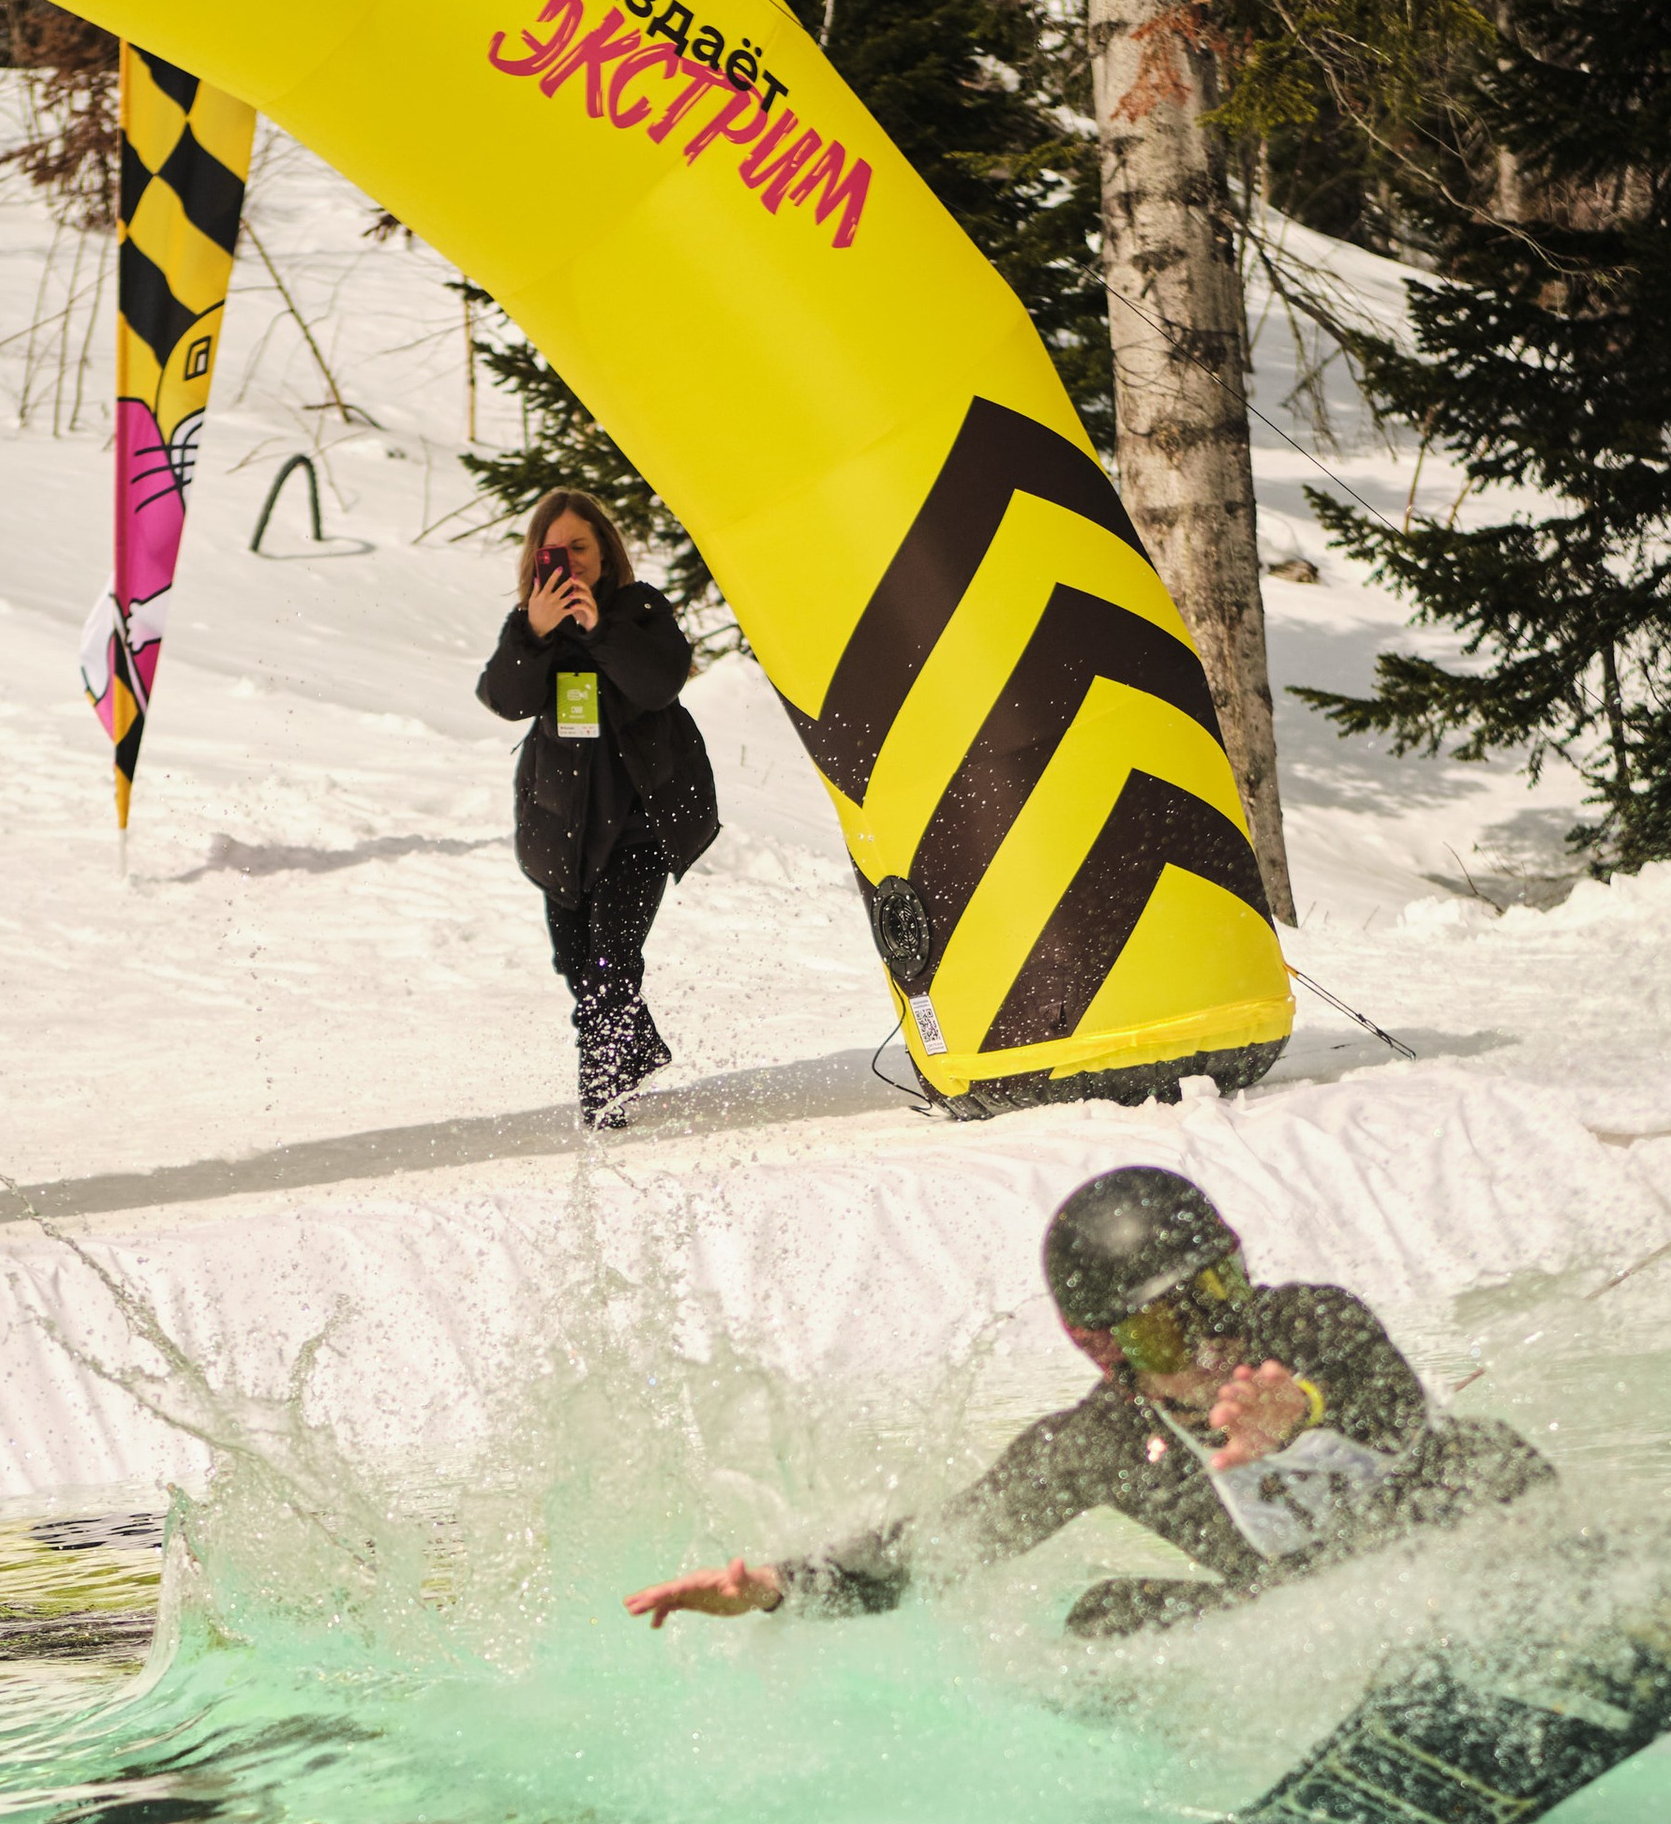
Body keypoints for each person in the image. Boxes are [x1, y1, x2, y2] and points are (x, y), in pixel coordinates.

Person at [625, 1166, 1552, 1635]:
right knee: (1101, 1618)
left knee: (1492, 1454)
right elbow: (938, 1551)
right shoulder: (1102, 1443)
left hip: (1464, 1548)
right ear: (1106, 1351)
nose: (1213, 1344)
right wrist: (781, 1586)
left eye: (1218, 1297)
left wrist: (1297, 1411)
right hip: (1320, 1622)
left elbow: (1379, 1398)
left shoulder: (1312, 1325)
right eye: (1164, 1332)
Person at [477, 487, 720, 1128]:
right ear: (536, 558)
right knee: (576, 961)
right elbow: (505, 699)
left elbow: (658, 683)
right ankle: (634, 1048)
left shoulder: (639, 612)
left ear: (605, 553)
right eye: (554, 550)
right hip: (565, 827)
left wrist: (597, 627)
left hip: (640, 823)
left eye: (580, 547)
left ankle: (605, 1095)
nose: (569, 563)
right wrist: (535, 631)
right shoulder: (532, 626)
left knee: (611, 963)